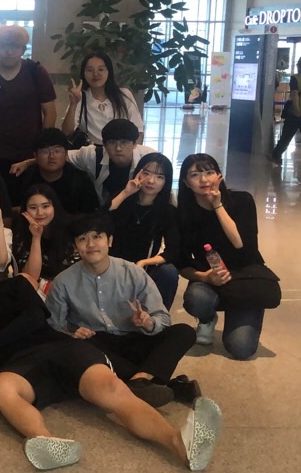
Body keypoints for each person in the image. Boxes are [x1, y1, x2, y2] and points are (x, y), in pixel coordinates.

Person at [0, 231, 222, 472]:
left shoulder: (15, 284)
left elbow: (34, 318)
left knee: (113, 389)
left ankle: (179, 443)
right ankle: (47, 442)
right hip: (13, 367)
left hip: (58, 347)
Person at [45, 211, 199, 407]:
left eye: (97, 236)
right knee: (77, 349)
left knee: (184, 332)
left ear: (109, 241)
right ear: (75, 246)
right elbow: (52, 328)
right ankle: (157, 383)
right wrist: (72, 333)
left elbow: (162, 317)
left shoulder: (133, 273)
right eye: (82, 239)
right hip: (97, 344)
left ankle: (138, 382)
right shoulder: (64, 281)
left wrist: (148, 323)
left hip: (134, 337)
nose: (90, 244)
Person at [176, 153, 280, 360]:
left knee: (241, 349)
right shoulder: (184, 214)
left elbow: (242, 246)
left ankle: (242, 312)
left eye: (209, 172)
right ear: (186, 182)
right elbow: (181, 261)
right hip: (211, 279)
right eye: (195, 175)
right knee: (196, 298)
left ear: (219, 176)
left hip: (245, 278)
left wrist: (217, 205)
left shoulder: (242, 201)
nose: (204, 180)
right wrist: (205, 277)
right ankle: (207, 319)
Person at [0, 24, 57, 193]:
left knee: (33, 200)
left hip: (31, 154)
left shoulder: (36, 72)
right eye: (4, 46)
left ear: (23, 50)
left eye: (15, 47)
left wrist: (42, 148)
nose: (9, 52)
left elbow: (50, 112)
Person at [20, 119, 153, 205]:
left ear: (135, 144)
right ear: (104, 144)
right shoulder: (92, 155)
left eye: (124, 142)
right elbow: (60, 155)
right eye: (112, 143)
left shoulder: (149, 159)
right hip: (105, 210)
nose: (118, 148)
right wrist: (27, 163)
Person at [108, 152, 181, 308]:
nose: (151, 180)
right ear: (137, 173)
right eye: (146, 173)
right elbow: (99, 221)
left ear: (166, 182)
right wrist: (126, 193)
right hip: (114, 266)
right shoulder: (122, 199)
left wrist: (145, 262)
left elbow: (173, 250)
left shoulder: (168, 212)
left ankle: (159, 317)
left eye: (160, 177)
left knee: (169, 272)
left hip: (146, 268)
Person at [61, 51, 143, 147]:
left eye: (101, 69)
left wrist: (132, 153)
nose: (95, 74)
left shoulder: (124, 95)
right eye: (90, 70)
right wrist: (73, 104)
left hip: (121, 151)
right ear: (84, 73)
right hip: (91, 152)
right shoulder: (81, 97)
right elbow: (66, 132)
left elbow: (138, 131)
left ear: (109, 71)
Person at [13, 128, 101, 215]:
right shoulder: (25, 177)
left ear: (66, 153)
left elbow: (91, 214)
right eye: (45, 152)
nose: (52, 156)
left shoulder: (80, 179)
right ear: (35, 155)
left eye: (57, 151)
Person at [12, 183, 78, 293]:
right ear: (25, 210)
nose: (40, 213)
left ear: (54, 207)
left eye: (45, 206)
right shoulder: (21, 233)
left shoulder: (71, 230)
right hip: (35, 294)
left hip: (69, 291)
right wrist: (36, 237)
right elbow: (29, 278)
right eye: (33, 208)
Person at [271, 55, 301, 171]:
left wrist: (297, 109)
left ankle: (276, 156)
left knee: (286, 136)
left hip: (295, 113)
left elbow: (294, 94)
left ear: (300, 66)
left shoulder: (295, 78)